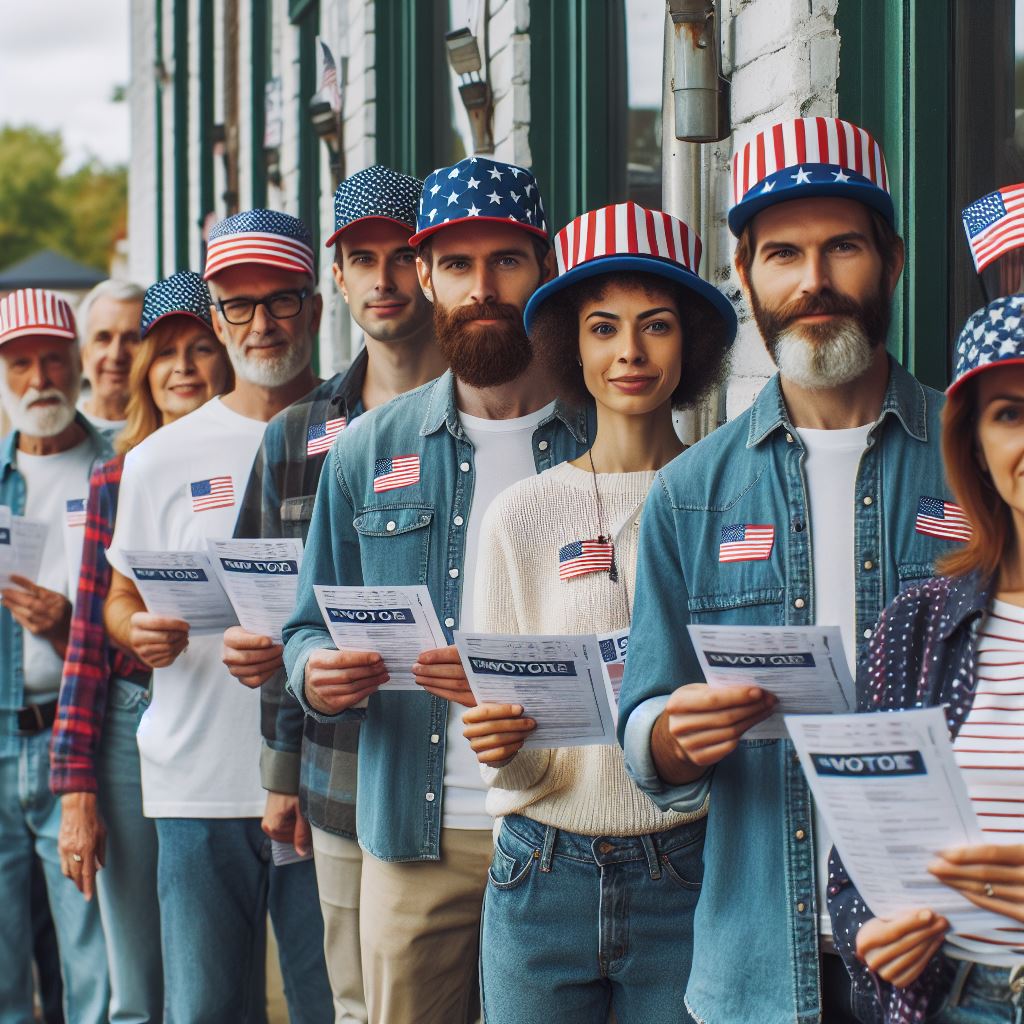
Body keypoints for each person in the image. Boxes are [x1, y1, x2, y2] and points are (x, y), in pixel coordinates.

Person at [617, 116, 959, 1024]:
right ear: (746, 276)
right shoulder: (689, 492)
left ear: (890, 259)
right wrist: (668, 736)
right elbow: (642, 714)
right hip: (764, 967)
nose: (813, 282)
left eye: (841, 247)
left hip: (958, 950)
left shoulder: (980, 461)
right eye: (782, 254)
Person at [283, 156, 594, 1024]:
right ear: (424, 276)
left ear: (546, 268)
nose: (482, 286)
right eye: (458, 265)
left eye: (507, 261)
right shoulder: (367, 449)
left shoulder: (606, 437)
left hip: (572, 824)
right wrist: (318, 675)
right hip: (418, 835)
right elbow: (305, 627)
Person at [459, 202, 735, 1020]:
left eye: (655, 326)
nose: (628, 353)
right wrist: (502, 746)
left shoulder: (727, 502)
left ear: (691, 344)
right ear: (569, 346)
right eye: (603, 327)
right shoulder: (520, 515)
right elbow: (508, 729)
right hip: (540, 874)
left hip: (689, 872)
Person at [224, 165, 444, 1022]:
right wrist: (281, 770)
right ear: (339, 276)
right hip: (344, 767)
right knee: (355, 1003)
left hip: (476, 763)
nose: (384, 281)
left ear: (426, 268)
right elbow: (278, 615)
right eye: (363, 260)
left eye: (401, 257)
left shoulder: (493, 414)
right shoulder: (294, 437)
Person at [103, 211, 332, 1023]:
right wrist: (136, 629)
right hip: (197, 774)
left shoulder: (360, 431)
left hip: (329, 773)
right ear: (216, 314)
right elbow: (123, 592)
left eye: (281, 300)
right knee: (203, 1010)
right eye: (239, 305)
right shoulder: (161, 456)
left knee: (331, 1006)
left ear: (313, 304)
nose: (261, 323)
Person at [829, 294, 1024, 1023]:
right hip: (955, 999)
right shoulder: (914, 627)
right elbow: (855, 868)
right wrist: (874, 935)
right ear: (973, 442)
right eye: (1009, 413)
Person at [50, 271, 232, 1022]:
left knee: (216, 965)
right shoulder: (115, 475)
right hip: (130, 721)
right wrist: (76, 788)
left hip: (233, 719)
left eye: (198, 349)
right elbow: (89, 637)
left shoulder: (262, 452)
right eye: (165, 353)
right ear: (143, 374)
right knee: (138, 983)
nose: (182, 368)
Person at [0, 288, 110, 1023]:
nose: (38, 378)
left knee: (93, 962)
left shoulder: (118, 465)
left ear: (78, 366)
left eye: (52, 360)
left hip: (81, 740)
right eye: (19, 365)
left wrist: (71, 627)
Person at [75, 280, 145, 436]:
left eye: (132, 339)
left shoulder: (167, 431)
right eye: (103, 338)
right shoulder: (62, 432)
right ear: (84, 352)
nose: (116, 355)